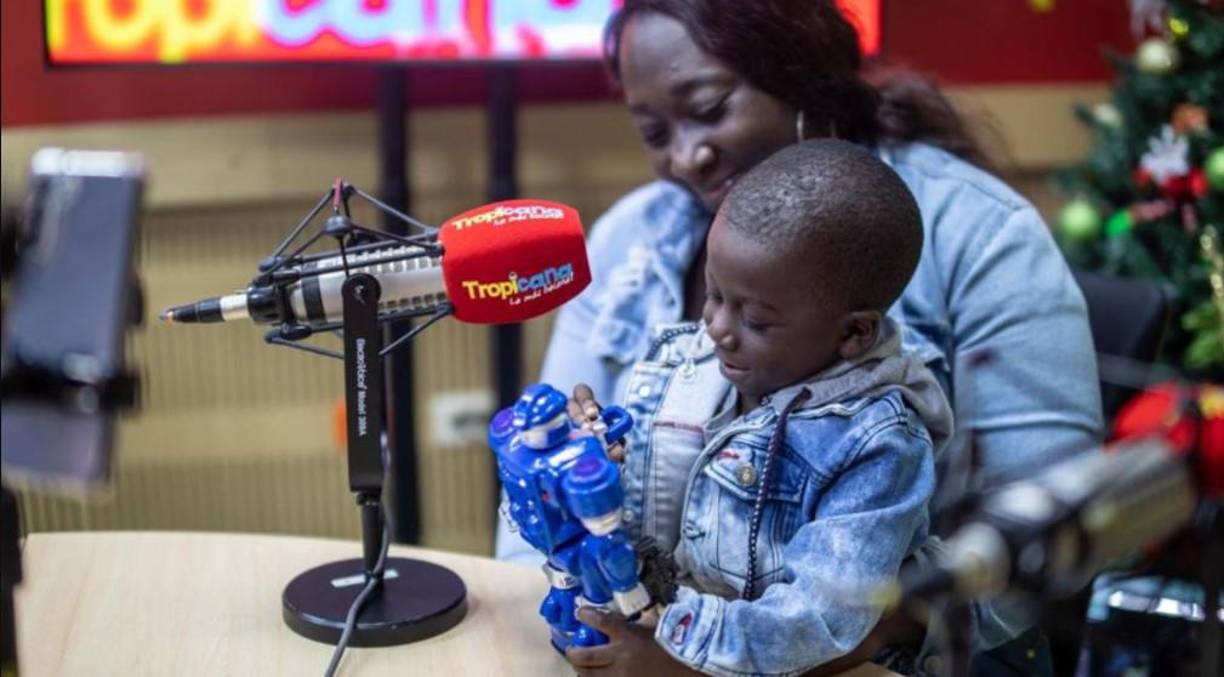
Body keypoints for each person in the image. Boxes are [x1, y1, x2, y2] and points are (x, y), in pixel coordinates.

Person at [499, 0, 1103, 672]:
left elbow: (1046, 541)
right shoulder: (629, 240)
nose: (687, 156)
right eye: (653, 131)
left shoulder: (979, 233)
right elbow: (539, 526)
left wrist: (792, 644)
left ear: (799, 74)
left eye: (710, 108)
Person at [563, 139, 953, 675]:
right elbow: (649, 518)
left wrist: (678, 658)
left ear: (854, 334)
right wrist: (594, 458)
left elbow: (819, 620)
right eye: (714, 294)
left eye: (755, 320)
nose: (718, 329)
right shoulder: (691, 363)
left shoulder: (880, 446)